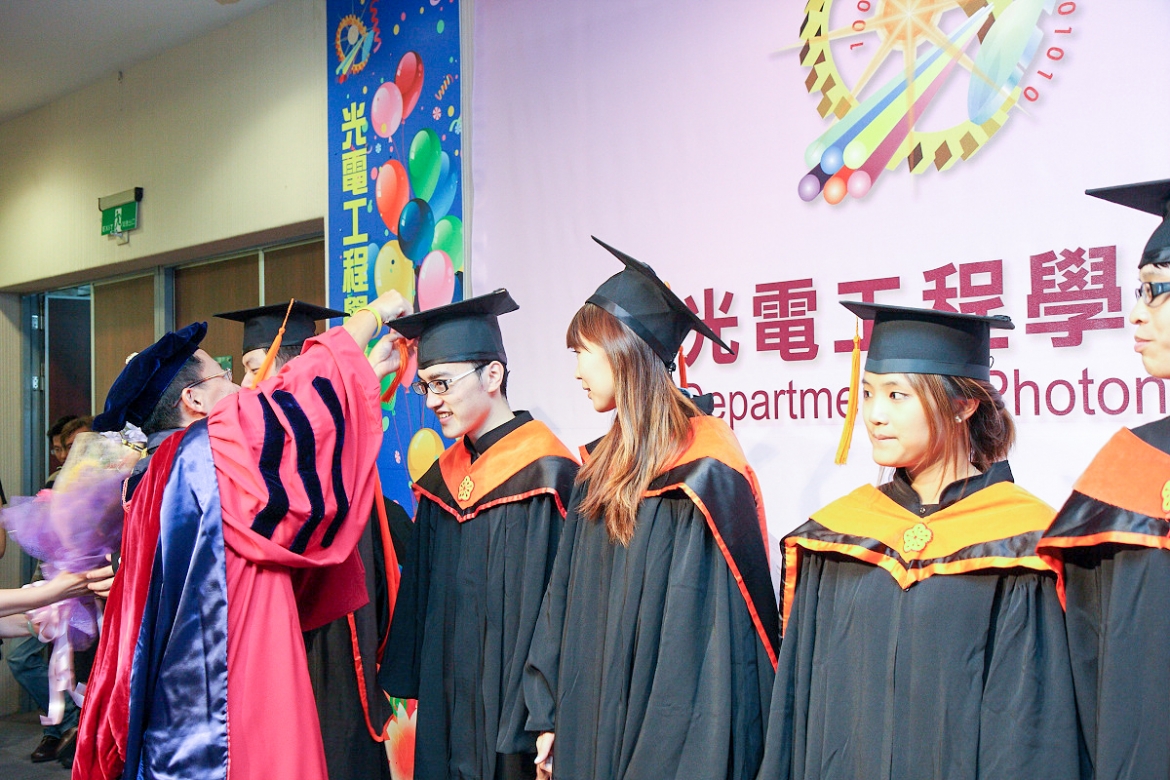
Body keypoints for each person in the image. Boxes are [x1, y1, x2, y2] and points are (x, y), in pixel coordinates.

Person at [73, 289, 410, 780]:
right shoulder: (205, 453)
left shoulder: (152, 475)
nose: (241, 387)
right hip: (230, 691)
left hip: (181, 695)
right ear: (193, 399)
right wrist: (373, 315)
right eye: (226, 376)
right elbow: (299, 393)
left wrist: (366, 374)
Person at [757, 303, 1081, 780]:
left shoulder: (1021, 544)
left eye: (897, 395)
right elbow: (803, 710)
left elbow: (1031, 723)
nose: (875, 415)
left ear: (963, 405)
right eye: (868, 393)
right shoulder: (838, 536)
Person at [523, 239, 778, 780]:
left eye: (582, 352)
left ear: (623, 352)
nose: (576, 371)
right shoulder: (598, 469)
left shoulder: (704, 473)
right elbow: (561, 599)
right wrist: (548, 716)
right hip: (589, 724)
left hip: (665, 745)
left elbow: (705, 650)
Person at [382, 289, 578, 780]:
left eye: (443, 383)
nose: (433, 401)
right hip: (447, 709)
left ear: (492, 375)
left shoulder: (547, 477)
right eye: (425, 386)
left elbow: (566, 611)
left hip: (517, 716)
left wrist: (549, 710)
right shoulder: (440, 484)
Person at [216, 299, 404, 780]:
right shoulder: (259, 456)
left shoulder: (289, 461)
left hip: (332, 642)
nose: (245, 385)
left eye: (253, 368)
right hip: (288, 644)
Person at [1036, 178, 1170, 778]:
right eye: (1139, 290)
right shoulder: (1128, 470)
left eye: (1156, 290)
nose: (1135, 312)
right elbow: (1091, 671)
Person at [9, 413, 92, 764]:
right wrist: (46, 593)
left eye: (79, 446)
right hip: (60, 589)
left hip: (87, 594)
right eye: (64, 448)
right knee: (25, 656)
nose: (68, 455)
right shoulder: (57, 484)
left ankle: (76, 728)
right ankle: (66, 725)